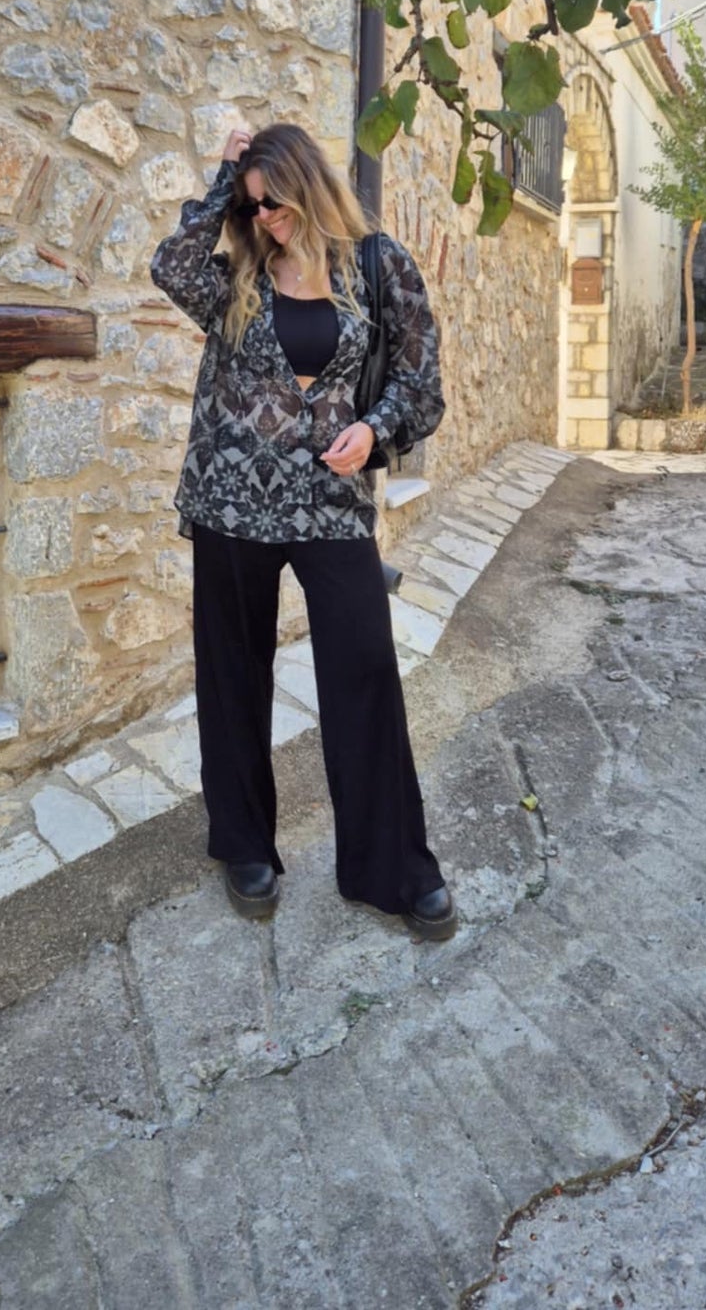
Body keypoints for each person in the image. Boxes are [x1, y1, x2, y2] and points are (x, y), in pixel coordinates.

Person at [149, 121, 456, 939]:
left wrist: (375, 428)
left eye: (274, 204)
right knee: (233, 675)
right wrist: (223, 182)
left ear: (308, 187)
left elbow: (422, 386)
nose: (266, 222)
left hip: (330, 507)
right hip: (230, 506)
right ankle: (244, 844)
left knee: (362, 672)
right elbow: (168, 264)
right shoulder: (234, 274)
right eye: (253, 210)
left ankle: (390, 866)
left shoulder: (377, 265)